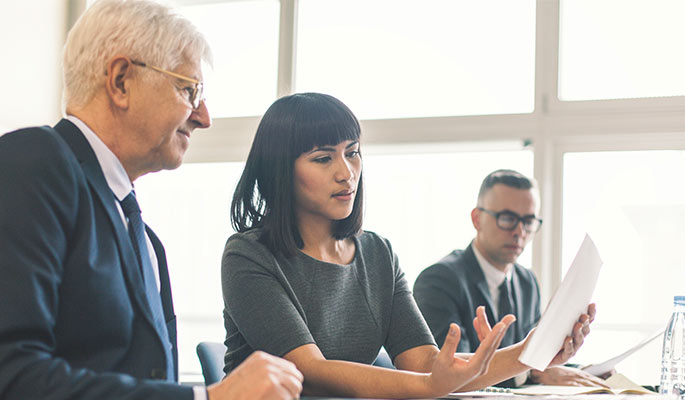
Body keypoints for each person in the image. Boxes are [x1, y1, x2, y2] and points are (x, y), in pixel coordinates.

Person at [0, 1, 302, 399]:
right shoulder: (34, 160)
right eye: (189, 89)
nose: (204, 116)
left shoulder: (148, 241)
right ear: (121, 80)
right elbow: (13, 375)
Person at [221, 93, 595, 399]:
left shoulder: (377, 254)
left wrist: (531, 353)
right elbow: (311, 371)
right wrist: (431, 385)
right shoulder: (247, 254)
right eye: (323, 158)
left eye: (352, 152)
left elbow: (428, 364)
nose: (346, 171)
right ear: (279, 171)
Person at [413, 169, 608, 388]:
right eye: (507, 219)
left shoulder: (527, 282)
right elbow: (449, 372)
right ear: (477, 219)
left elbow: (532, 355)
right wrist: (533, 373)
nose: (519, 231)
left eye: (529, 221)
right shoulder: (438, 281)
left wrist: (581, 371)